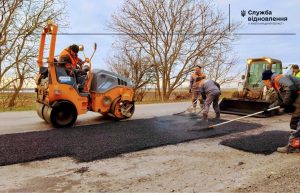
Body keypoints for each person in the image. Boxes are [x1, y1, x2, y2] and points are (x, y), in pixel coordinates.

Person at [262, 70, 300, 153]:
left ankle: (293, 146)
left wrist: (287, 103)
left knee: (296, 121)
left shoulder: (278, 79)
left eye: (264, 82)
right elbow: (280, 100)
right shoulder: (276, 84)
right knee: (295, 122)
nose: (265, 84)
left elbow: (291, 87)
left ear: (267, 80)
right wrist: (269, 108)